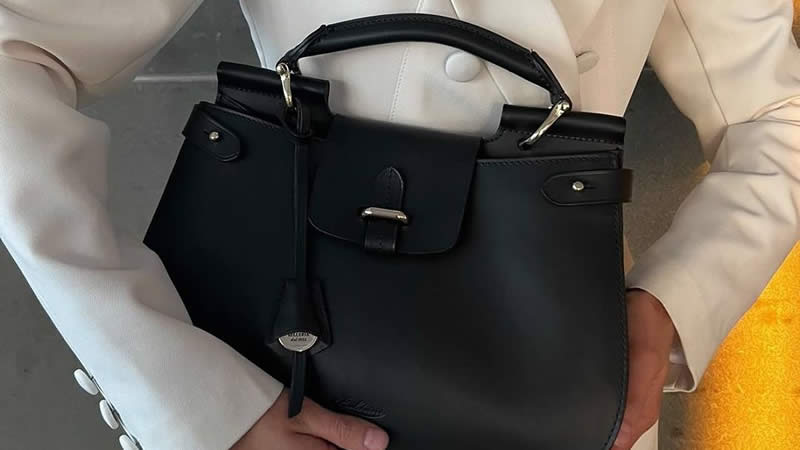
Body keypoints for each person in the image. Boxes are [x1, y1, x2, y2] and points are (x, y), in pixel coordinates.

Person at [0, 1, 798, 449]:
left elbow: (776, 109)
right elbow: (14, 49)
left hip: (551, 367)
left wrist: (672, 309)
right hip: (282, 374)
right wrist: (180, 391)